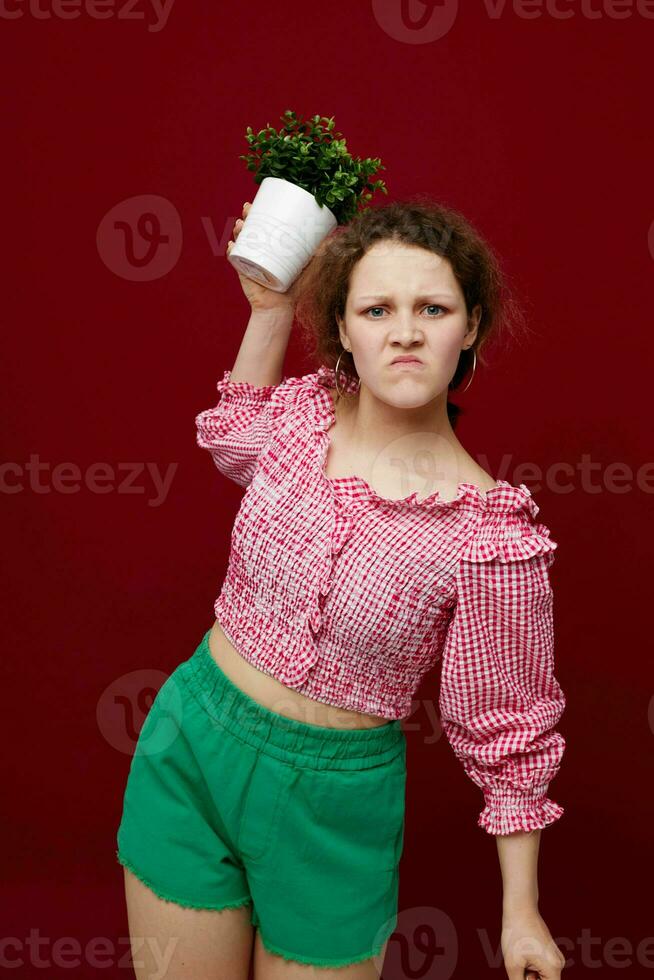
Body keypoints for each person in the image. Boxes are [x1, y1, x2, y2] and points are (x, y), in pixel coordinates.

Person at [115, 197, 568, 979]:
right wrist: (268, 306)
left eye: (433, 308)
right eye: (377, 308)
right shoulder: (297, 420)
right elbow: (233, 436)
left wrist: (520, 910)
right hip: (191, 743)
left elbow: (508, 732)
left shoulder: (492, 537)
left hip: (331, 806)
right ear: (343, 331)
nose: (404, 332)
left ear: (472, 329)